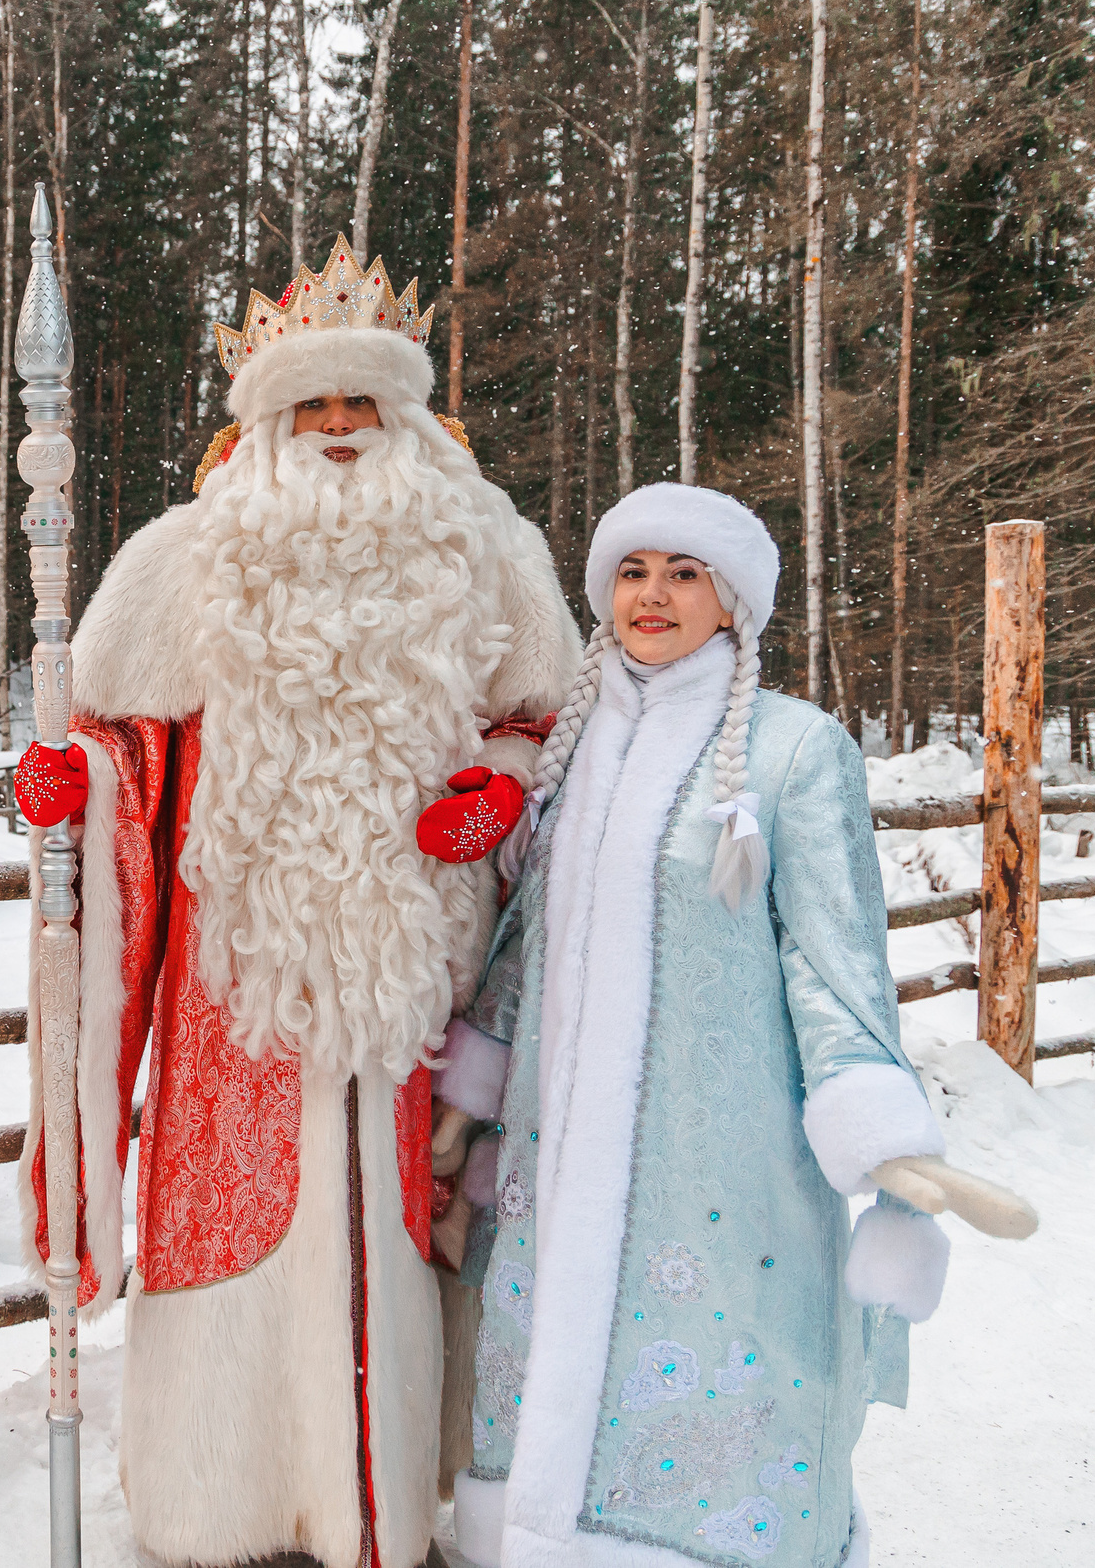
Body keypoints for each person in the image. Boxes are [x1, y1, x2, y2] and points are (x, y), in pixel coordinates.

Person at [9, 235, 580, 1568]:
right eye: (311, 405)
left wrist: (498, 787)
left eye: (361, 404)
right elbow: (123, 754)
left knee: (399, 1232)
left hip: (415, 980)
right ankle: (223, 1504)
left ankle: (378, 1494)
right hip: (234, 991)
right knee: (232, 1218)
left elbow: (547, 721)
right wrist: (72, 782)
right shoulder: (180, 559)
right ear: (262, 422)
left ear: (406, 416)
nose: (336, 429)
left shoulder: (483, 548)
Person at [436, 484, 1036, 1568]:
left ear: (732, 603)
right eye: (631, 571)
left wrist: (881, 1134)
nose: (652, 595)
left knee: (721, 1393)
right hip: (553, 1161)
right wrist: (467, 1108)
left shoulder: (794, 754)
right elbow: (524, 948)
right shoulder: (568, 762)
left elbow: (832, 960)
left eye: (683, 574)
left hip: (716, 1171)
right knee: (543, 1396)